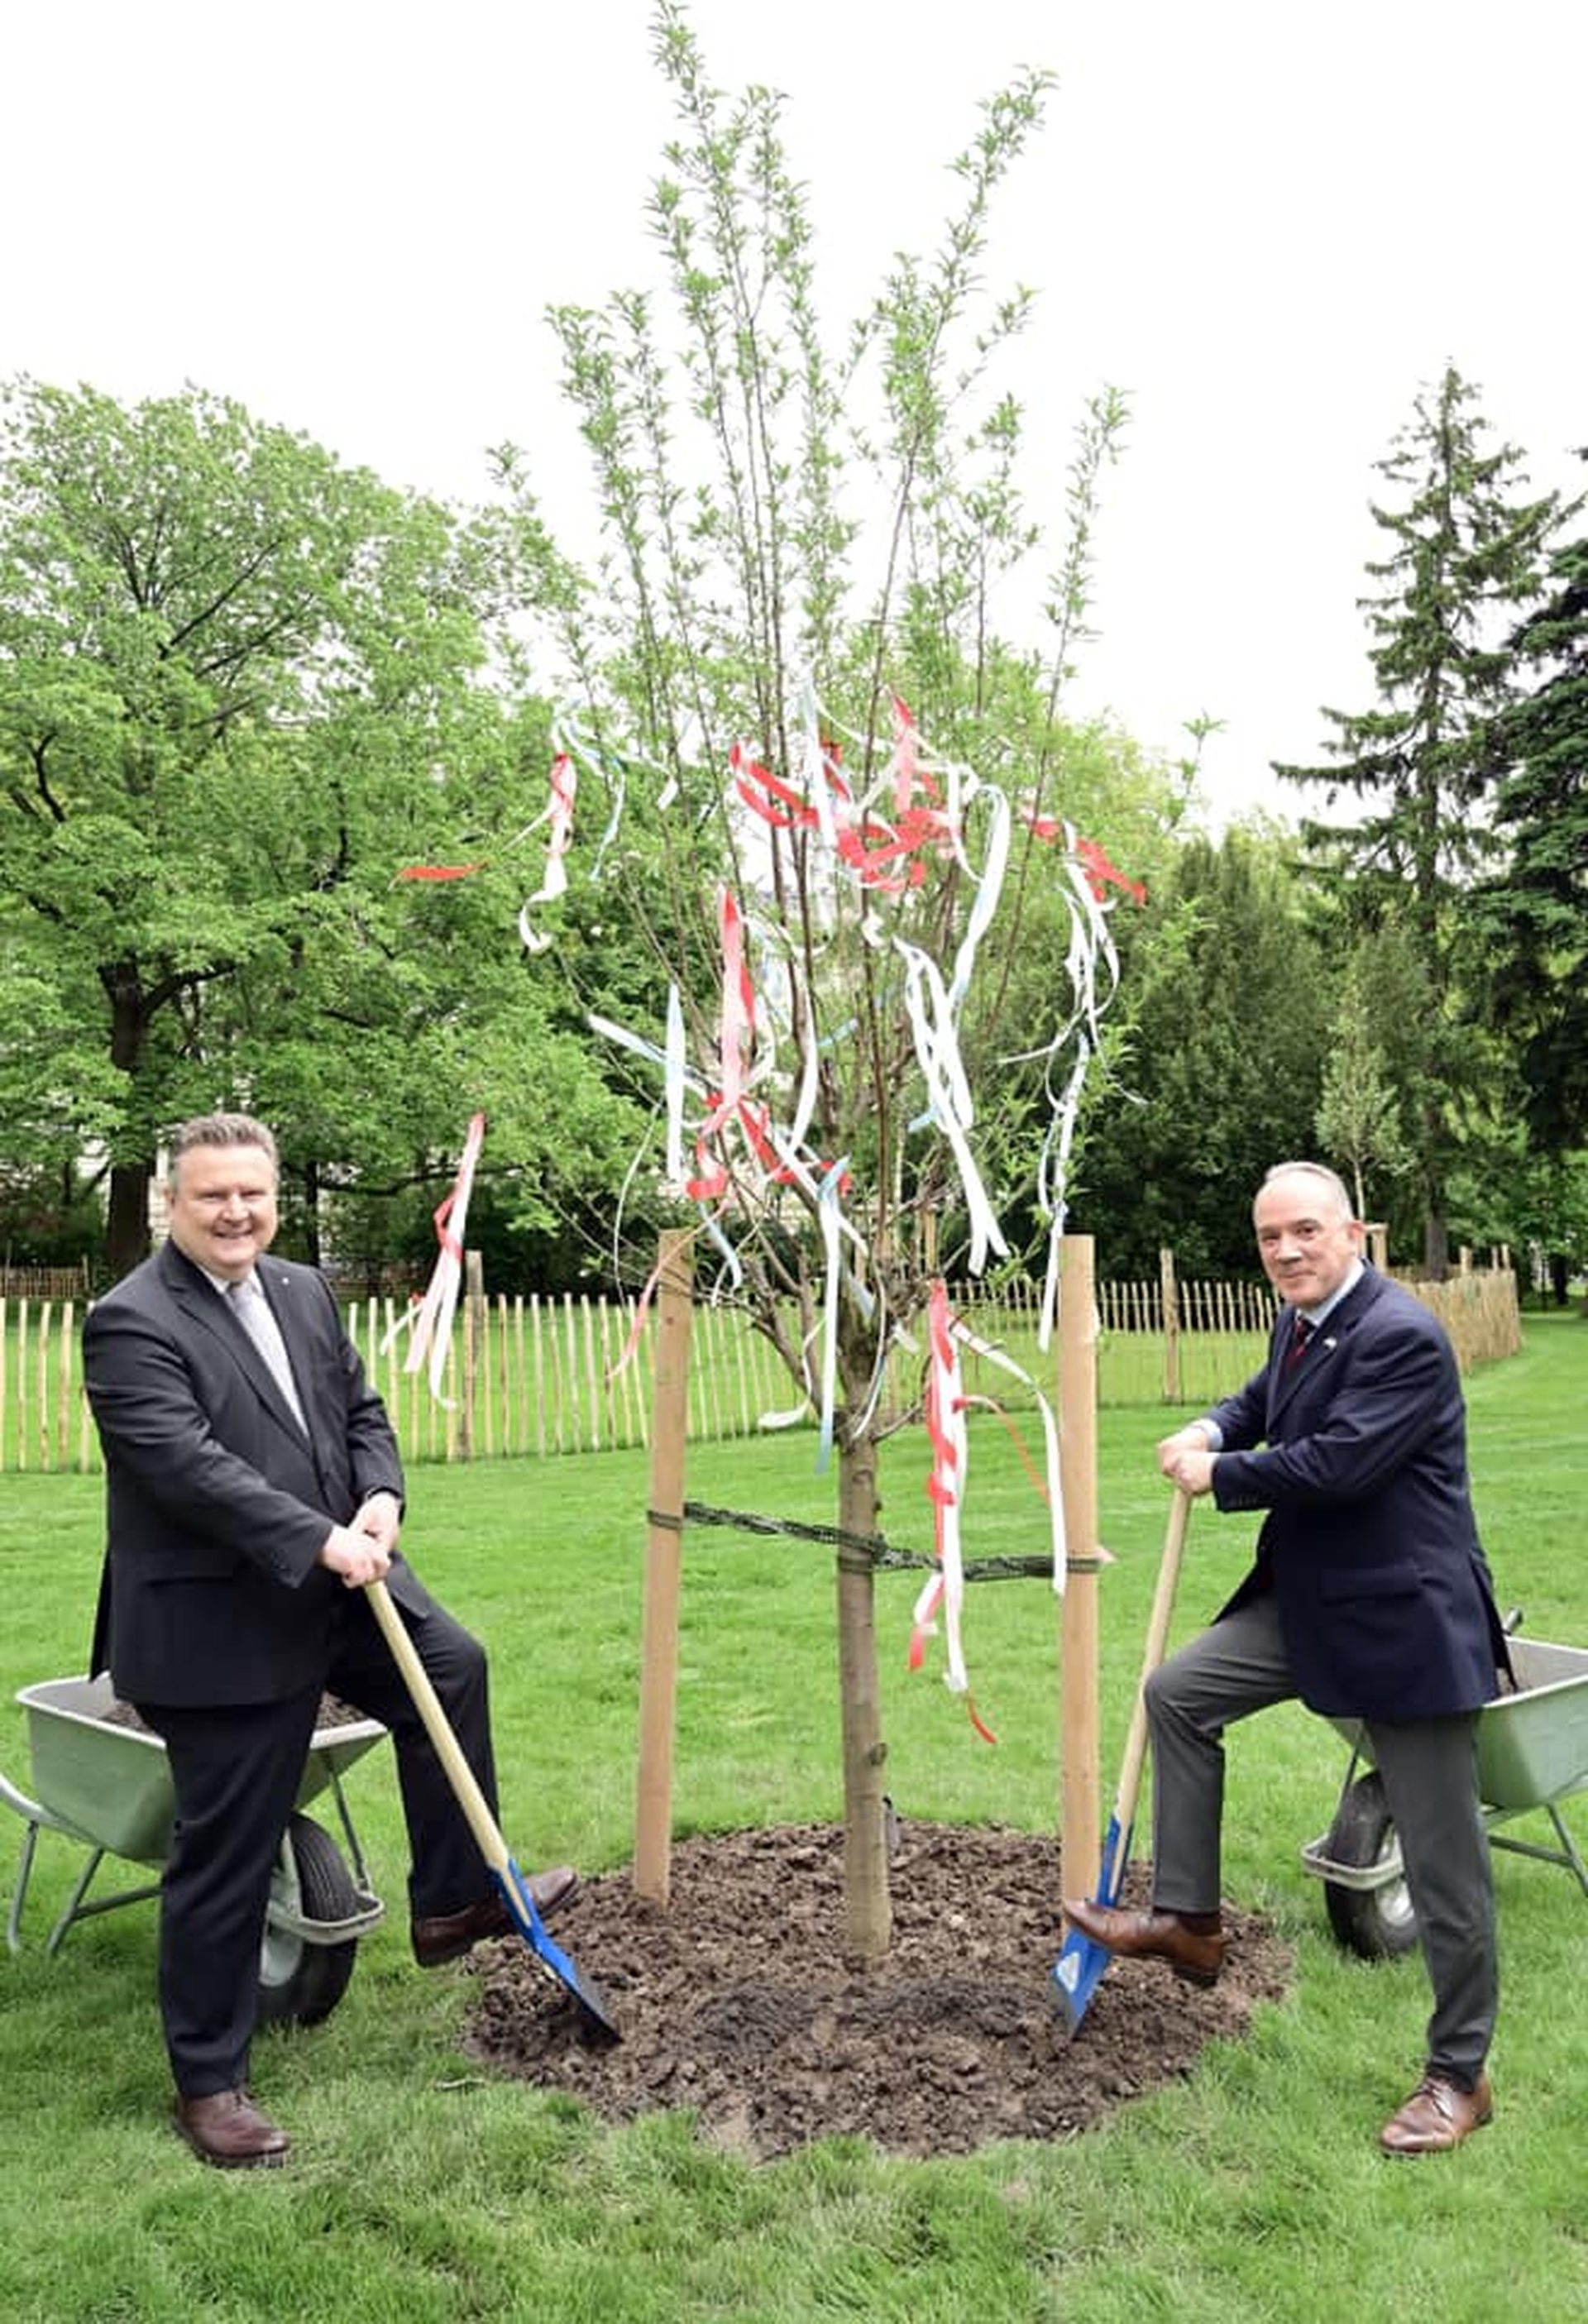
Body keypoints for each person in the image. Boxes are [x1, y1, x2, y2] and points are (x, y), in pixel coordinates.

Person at [83, 1112, 579, 2171]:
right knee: (229, 1847)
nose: (236, 1211)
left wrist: (382, 1495)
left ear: (274, 1195)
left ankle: (451, 1900)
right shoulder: (128, 1321)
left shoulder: (304, 1290)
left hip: (341, 1579)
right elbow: (185, 1466)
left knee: (453, 1665)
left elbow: (358, 1408)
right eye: (214, 1194)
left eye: (252, 1193)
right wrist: (316, 1537)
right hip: (217, 1617)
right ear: (176, 1202)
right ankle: (209, 2081)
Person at [1064, 1161, 1509, 2156]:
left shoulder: (1401, 1336)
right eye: (1271, 1237)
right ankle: (1189, 1918)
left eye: (1306, 1230)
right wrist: (1215, 1423)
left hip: (1404, 1624)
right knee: (1178, 1693)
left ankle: (1458, 2073)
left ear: (1354, 1231)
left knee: (1445, 1867)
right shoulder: (1302, 1320)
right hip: (1311, 1603)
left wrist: (1220, 1470)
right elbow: (1268, 1396)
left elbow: (1337, 1464)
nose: (1288, 1251)